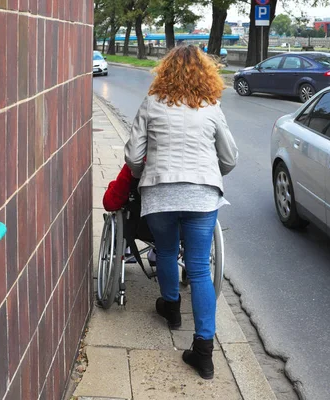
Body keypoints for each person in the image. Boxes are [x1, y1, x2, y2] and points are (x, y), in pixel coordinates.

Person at [124, 45, 238, 380]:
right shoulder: (212, 107)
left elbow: (133, 157)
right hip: (202, 196)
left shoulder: (151, 103)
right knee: (201, 269)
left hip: (159, 192)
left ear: (165, 71)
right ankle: (203, 351)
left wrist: (142, 175)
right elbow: (229, 159)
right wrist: (206, 174)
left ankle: (171, 308)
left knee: (167, 250)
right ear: (207, 73)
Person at [102, 163, 157, 265]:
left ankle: (124, 245)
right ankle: (157, 252)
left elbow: (110, 203)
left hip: (140, 226)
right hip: (178, 228)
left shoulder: (138, 163)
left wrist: (112, 186)